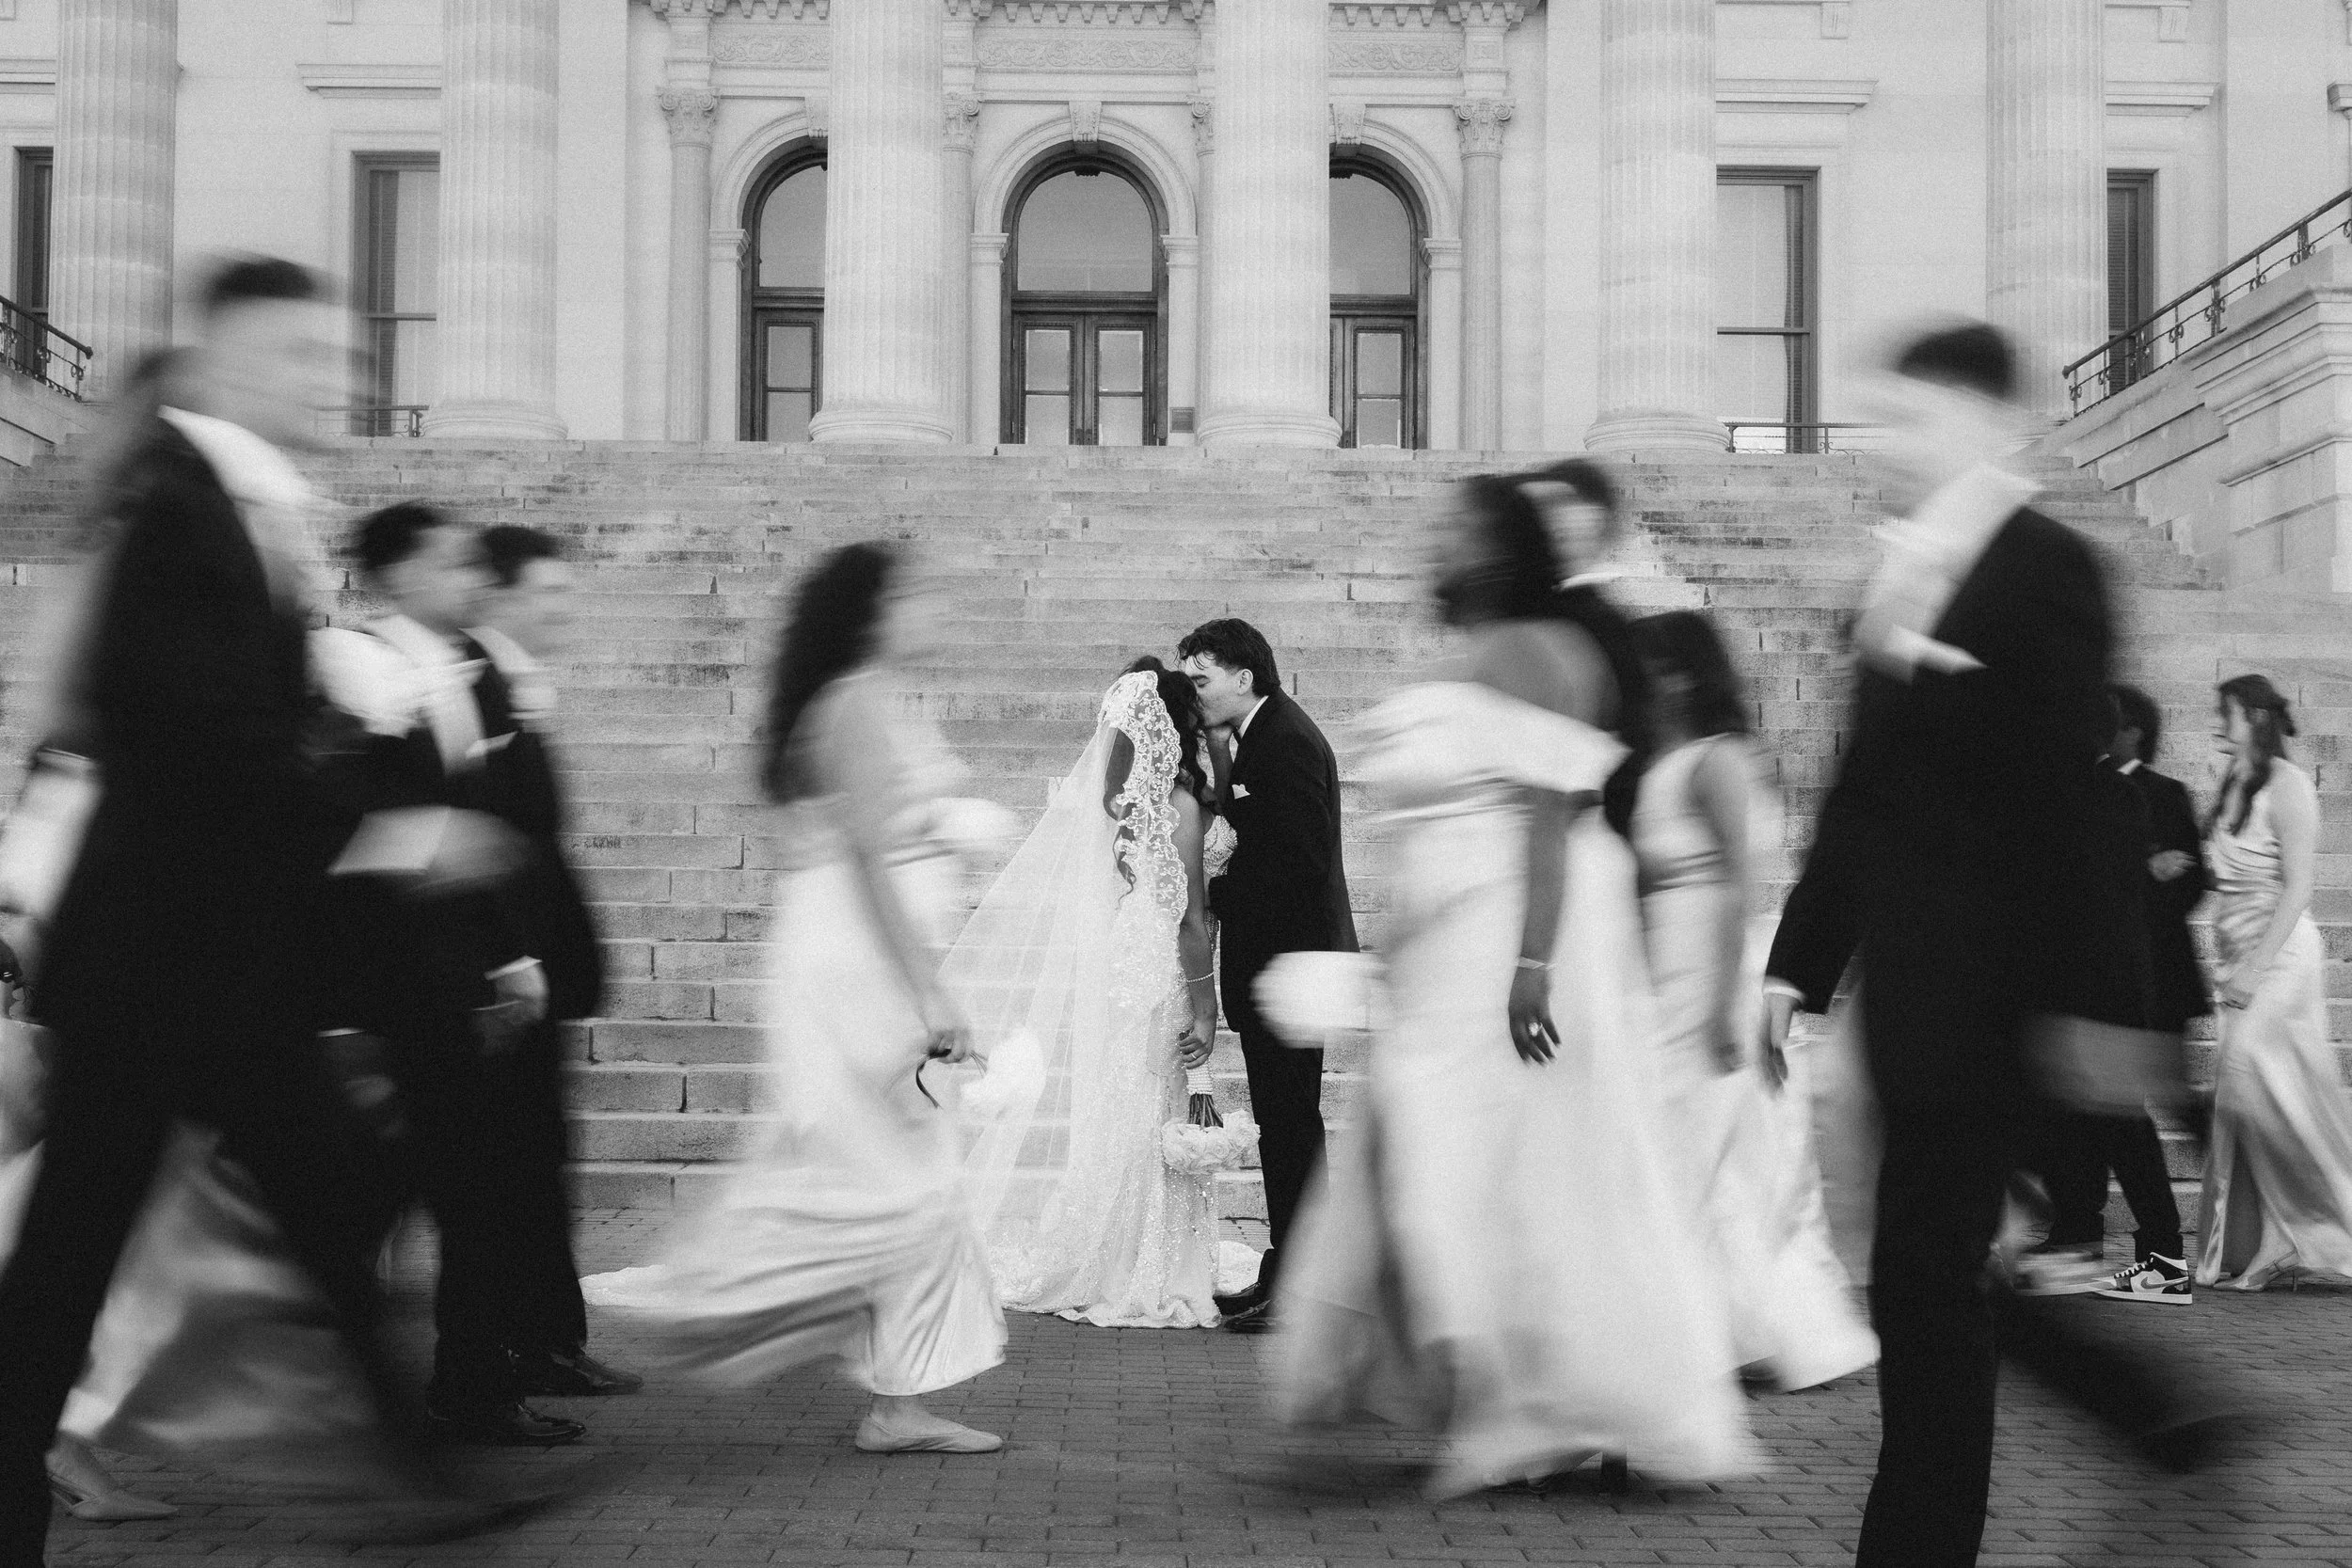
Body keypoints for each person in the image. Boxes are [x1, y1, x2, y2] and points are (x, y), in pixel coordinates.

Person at [0, 257, 531, 1565]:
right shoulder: (171, 503)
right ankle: (409, 1476)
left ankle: (416, 1474)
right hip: (148, 961)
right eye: (304, 353)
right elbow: (196, 737)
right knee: (75, 1264)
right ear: (231, 358)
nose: (333, 375)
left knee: (321, 1201)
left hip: (218, 961)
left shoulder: (235, 503)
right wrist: (388, 828)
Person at [1762, 322, 2214, 1568]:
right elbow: (1866, 794)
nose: (1885, 443)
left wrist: (2105, 1009)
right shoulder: (1897, 577)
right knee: (1942, 1272)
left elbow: (2080, 807)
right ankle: (2164, 1418)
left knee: (1927, 1269)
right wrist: (1796, 964)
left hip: (2002, 994)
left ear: (1979, 423)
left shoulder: (2046, 567)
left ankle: (1917, 1542)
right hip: (1914, 997)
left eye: (1909, 418)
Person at [1270, 474, 1751, 1498]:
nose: (1438, 542)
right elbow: (1426, 838)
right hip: (1447, 938)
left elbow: (1546, 820)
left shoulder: (1542, 650)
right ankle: (1473, 1390)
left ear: (1502, 546)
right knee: (1437, 1152)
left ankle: (1532, 1393)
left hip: (1519, 935)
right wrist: (1390, 954)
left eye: (1460, 529)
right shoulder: (1472, 652)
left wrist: (1529, 967)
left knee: (1501, 1157)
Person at [584, 543, 1007, 1454]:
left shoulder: (868, 698)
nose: (937, 611)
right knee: (899, 1175)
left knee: (902, 1167)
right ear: (870, 612)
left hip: (855, 948)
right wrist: (927, 985)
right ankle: (733, 1298)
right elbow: (862, 855)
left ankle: (883, 1386)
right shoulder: (855, 699)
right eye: (919, 595)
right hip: (857, 959)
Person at [312, 503, 582, 1448]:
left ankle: (471, 1387)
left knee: (480, 1197)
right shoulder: (351, 671)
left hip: (462, 984)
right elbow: (331, 822)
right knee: (374, 1205)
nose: (471, 577)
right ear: (395, 575)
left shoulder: (478, 673)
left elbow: (505, 832)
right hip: (383, 989)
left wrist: (510, 960)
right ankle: (341, 1382)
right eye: (450, 562)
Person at [1627, 610, 1875, 1390]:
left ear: (1687, 672)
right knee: (1678, 1145)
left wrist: (1720, 1001)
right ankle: (1701, 1317)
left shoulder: (1720, 759)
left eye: (1656, 666)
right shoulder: (1664, 758)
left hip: (1709, 973)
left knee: (1710, 1146)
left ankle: (1737, 1323)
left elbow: (1738, 881)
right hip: (1663, 971)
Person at [952, 658, 1236, 1328]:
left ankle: (1117, 1246)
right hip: (1162, 965)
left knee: (1128, 1100)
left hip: (1122, 967)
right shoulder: (1181, 805)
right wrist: (1206, 1003)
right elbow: (1191, 919)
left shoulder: (1123, 808)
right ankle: (1147, 1258)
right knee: (1154, 1097)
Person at [468, 526, 640, 1396]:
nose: (563, 608)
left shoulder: (517, 683)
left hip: (535, 964)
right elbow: (498, 838)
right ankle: (515, 1348)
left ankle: (545, 1339)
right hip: (502, 971)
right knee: (513, 1165)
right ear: (499, 595)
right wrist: (512, 957)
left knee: (540, 1156)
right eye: (547, 594)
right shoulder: (475, 681)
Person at [1178, 619, 1354, 1334]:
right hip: (1279, 963)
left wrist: (1214, 890)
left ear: (1244, 676)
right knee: (1285, 1124)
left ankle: (1307, 1281)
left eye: (1202, 678)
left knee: (1292, 1124)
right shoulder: (1259, 735)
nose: (1194, 693)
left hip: (1293, 963)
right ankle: (1291, 1269)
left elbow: (1300, 860)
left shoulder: (1284, 739)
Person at [2195, 674, 2352, 1290]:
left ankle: (2323, 1224)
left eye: (2226, 712)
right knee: (2249, 1093)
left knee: (2247, 1075)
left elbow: (2299, 887)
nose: (2217, 721)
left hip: (2281, 957)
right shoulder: (2234, 779)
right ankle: (2269, 1242)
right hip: (2235, 955)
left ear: (2255, 715)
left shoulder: (2288, 786)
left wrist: (2256, 967)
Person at [2090, 683, 2204, 1303]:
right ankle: (2131, 1252)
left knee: (2124, 1122)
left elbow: (2112, 887)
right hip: (2105, 986)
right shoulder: (2100, 786)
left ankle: (2161, 1261)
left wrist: (2150, 870)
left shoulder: (2116, 791)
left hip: (2115, 987)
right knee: (2111, 1121)